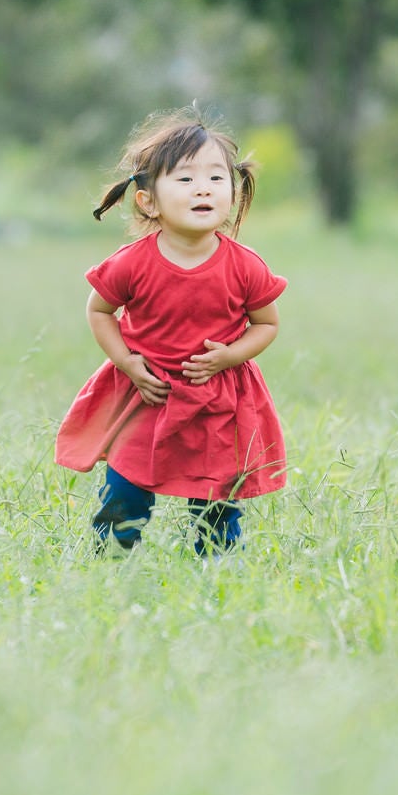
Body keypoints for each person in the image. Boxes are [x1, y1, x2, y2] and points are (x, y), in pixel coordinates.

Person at [55, 108, 287, 555]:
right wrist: (126, 362)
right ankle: (113, 560)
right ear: (148, 200)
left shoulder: (245, 265)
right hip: (148, 394)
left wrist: (229, 356)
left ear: (233, 193)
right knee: (126, 488)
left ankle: (217, 568)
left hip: (217, 400)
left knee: (218, 500)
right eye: (184, 179)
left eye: (217, 179)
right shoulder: (131, 263)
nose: (203, 188)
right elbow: (100, 311)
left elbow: (267, 324)